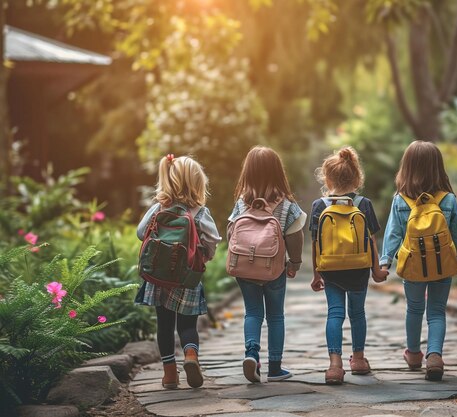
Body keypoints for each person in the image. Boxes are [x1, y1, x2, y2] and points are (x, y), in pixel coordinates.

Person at [379, 140, 457, 381]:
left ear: (406, 168)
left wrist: (385, 261)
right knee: (437, 311)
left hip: (412, 267)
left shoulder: (401, 200)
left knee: (414, 309)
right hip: (442, 265)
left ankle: (414, 354)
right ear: (438, 168)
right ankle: (435, 356)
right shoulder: (448, 199)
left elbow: (393, 233)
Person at [136, 154, 221, 389]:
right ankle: (191, 357)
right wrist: (205, 254)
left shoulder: (157, 208)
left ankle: (169, 374)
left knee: (164, 325)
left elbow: (141, 233)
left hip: (159, 278)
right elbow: (213, 239)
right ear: (197, 183)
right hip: (186, 277)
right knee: (187, 326)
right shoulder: (199, 212)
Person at [309, 147, 389, 385]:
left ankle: (335, 365)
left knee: (335, 313)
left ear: (327, 178)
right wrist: (376, 270)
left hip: (331, 268)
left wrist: (316, 274)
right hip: (359, 267)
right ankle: (359, 359)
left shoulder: (319, 205)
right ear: (357, 178)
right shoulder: (363, 204)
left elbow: (316, 244)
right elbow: (372, 240)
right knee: (357, 313)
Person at [228, 146, 306, 383]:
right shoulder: (287, 205)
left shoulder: (242, 203)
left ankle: (252, 353)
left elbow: (232, 231)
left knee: (252, 312)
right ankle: (275, 367)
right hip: (274, 270)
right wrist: (295, 262)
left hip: (245, 269)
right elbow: (295, 235)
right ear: (277, 172)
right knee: (275, 317)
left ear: (247, 172)